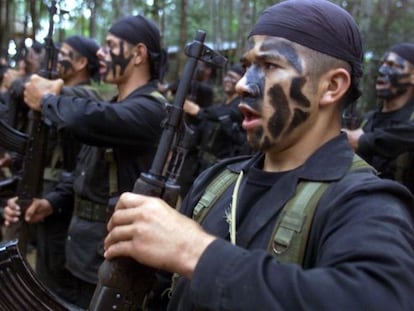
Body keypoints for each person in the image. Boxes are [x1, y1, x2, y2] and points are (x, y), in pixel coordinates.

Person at [102, 1, 414, 310]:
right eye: (249, 65)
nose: (241, 84)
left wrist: (193, 251)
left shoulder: (363, 202)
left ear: (331, 86)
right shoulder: (217, 181)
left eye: (269, 65)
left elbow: (379, 298)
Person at [4, 14, 167, 309]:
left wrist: (46, 100)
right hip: (81, 251)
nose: (101, 54)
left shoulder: (151, 110)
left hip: (111, 262)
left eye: (109, 45)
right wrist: (50, 202)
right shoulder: (116, 105)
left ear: (139, 53)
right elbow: (83, 173)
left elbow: (86, 118)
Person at [343, 42, 414, 194]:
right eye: (382, 64)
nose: (382, 70)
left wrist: (362, 141)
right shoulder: (365, 121)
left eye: (393, 65)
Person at [183, 63, 251, 174]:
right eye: (227, 76)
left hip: (221, 166)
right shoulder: (220, 105)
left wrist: (198, 111)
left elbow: (225, 114)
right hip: (202, 164)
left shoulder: (240, 106)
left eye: (233, 78)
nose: (228, 80)